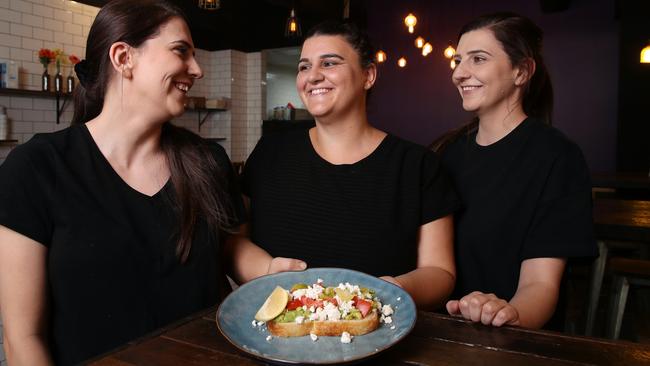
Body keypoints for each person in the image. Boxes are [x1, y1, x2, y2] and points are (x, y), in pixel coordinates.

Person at [0, 1, 247, 364]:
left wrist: (277, 273)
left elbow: (231, 251)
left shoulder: (208, 162)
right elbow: (23, 337)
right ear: (123, 57)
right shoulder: (37, 168)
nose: (197, 69)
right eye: (181, 51)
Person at [227, 20, 460, 310]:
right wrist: (266, 269)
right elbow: (234, 241)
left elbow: (440, 272)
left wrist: (390, 291)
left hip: (380, 340)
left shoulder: (418, 166)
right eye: (304, 66)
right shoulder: (269, 153)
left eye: (329, 63)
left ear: (368, 75)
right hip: (278, 342)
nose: (312, 76)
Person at [432, 12, 596, 329]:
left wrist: (506, 314)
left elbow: (541, 285)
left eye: (478, 59)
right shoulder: (446, 152)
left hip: (511, 342)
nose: (459, 73)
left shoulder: (557, 157)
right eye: (457, 60)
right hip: (439, 333)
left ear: (521, 71)